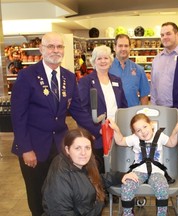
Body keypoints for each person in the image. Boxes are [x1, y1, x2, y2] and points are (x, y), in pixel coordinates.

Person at [10, 32, 101, 216]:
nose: (55, 50)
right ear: (41, 49)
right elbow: (18, 116)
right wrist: (26, 148)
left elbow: (77, 110)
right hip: (33, 147)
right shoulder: (27, 76)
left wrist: (98, 130)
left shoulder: (68, 77)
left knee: (60, 192)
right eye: (51, 46)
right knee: (37, 194)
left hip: (61, 147)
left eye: (59, 46)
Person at [108, 113, 178, 216]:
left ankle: (161, 214)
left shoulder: (159, 136)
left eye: (145, 126)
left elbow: (171, 143)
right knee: (127, 185)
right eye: (138, 130)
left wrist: (175, 130)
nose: (143, 131)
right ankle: (128, 213)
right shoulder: (134, 138)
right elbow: (120, 141)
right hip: (138, 172)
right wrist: (116, 129)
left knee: (162, 187)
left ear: (151, 125)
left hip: (156, 172)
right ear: (135, 133)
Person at [42, 127, 138, 216]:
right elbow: (60, 212)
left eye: (87, 148)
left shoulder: (80, 165)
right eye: (77, 148)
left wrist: (120, 176)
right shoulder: (61, 173)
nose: (83, 153)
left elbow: (96, 180)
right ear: (67, 149)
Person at [78, 45, 127, 173]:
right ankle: (101, 192)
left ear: (111, 61)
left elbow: (123, 105)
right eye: (99, 58)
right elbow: (82, 109)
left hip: (116, 130)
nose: (103, 61)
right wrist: (93, 130)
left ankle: (115, 191)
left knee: (117, 164)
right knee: (99, 167)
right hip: (98, 133)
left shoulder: (116, 80)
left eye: (106, 58)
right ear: (94, 62)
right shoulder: (86, 81)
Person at [150, 22, 178, 107]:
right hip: (160, 109)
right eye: (162, 35)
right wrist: (153, 106)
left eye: (168, 34)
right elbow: (153, 86)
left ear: (177, 34)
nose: (165, 37)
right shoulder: (157, 59)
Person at [109, 34, 150, 107]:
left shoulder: (139, 70)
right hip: (112, 114)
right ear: (114, 47)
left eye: (126, 46)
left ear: (130, 48)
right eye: (120, 46)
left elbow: (144, 96)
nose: (123, 49)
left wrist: (143, 113)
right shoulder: (107, 69)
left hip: (133, 113)